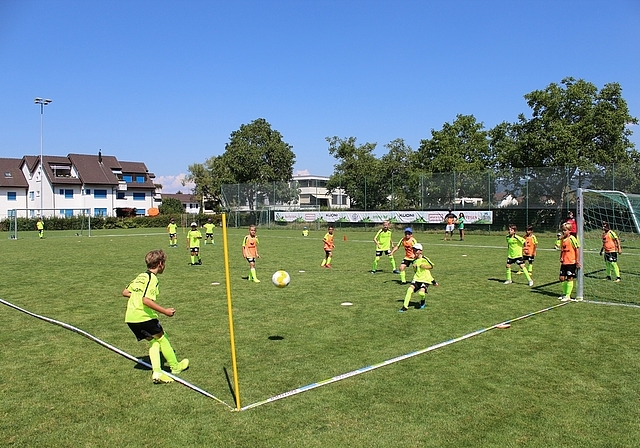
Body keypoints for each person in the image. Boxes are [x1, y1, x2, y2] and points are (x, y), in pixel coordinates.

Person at [123, 249, 189, 384]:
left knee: (154, 342)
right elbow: (146, 300)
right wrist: (165, 311)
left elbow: (125, 292)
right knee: (163, 339)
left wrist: (136, 295)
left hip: (131, 317)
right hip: (144, 317)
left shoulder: (140, 276)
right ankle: (175, 367)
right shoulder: (152, 279)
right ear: (160, 264)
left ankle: (157, 372)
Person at [398, 243, 438, 312]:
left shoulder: (425, 259)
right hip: (417, 278)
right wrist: (415, 267)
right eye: (413, 250)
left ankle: (423, 301)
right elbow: (416, 271)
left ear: (420, 251)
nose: (414, 251)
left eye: (416, 250)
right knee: (409, 290)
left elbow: (431, 266)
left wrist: (424, 266)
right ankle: (405, 307)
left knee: (421, 293)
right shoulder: (414, 260)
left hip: (426, 279)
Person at [558, 222, 581, 301]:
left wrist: (577, 261)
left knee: (569, 278)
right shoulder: (563, 239)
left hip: (571, 262)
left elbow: (577, 249)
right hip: (564, 261)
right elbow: (562, 249)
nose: (563, 232)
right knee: (561, 278)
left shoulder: (572, 239)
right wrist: (561, 257)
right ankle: (564, 294)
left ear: (569, 231)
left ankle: (568, 296)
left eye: (565, 230)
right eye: (562, 230)